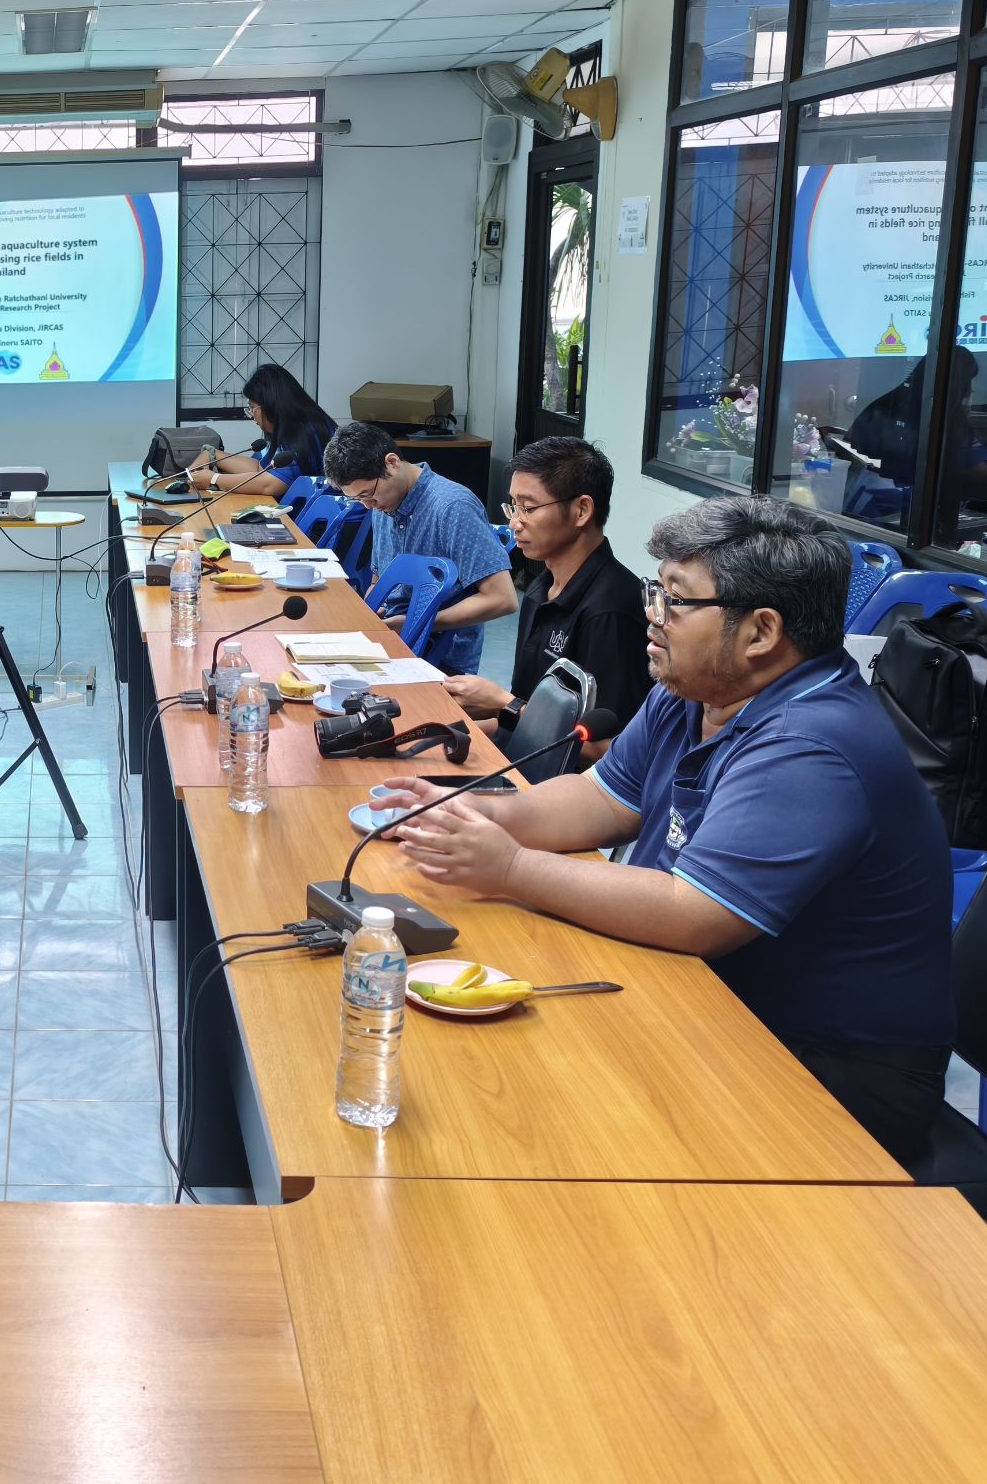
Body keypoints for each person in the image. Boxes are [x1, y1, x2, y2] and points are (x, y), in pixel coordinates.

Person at [376, 496, 954, 1161]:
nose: (652, 615)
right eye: (657, 591)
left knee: (537, 1123)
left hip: (828, 1065)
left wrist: (510, 867)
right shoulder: (697, 690)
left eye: (676, 601)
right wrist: (472, 810)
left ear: (761, 631)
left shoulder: (811, 746)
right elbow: (598, 800)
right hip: (709, 998)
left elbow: (695, 913)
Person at [443, 436, 651, 764]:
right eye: (513, 506)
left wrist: (503, 703)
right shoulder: (542, 587)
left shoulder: (612, 610)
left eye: (528, 508)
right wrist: (450, 731)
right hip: (522, 761)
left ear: (581, 510)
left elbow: (611, 752)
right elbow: (521, 718)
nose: (514, 523)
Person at [324, 420, 516, 675]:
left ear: (392, 462)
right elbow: (378, 579)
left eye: (368, 494)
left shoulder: (453, 507)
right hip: (392, 637)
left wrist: (417, 622)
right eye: (357, 499)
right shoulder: (383, 503)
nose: (368, 506)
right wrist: (371, 613)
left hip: (437, 653)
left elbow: (503, 599)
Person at [189, 362, 336, 497]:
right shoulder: (293, 425)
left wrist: (214, 479)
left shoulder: (306, 433)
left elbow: (269, 484)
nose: (251, 415)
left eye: (252, 408)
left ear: (271, 404)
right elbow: (260, 468)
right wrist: (213, 455)